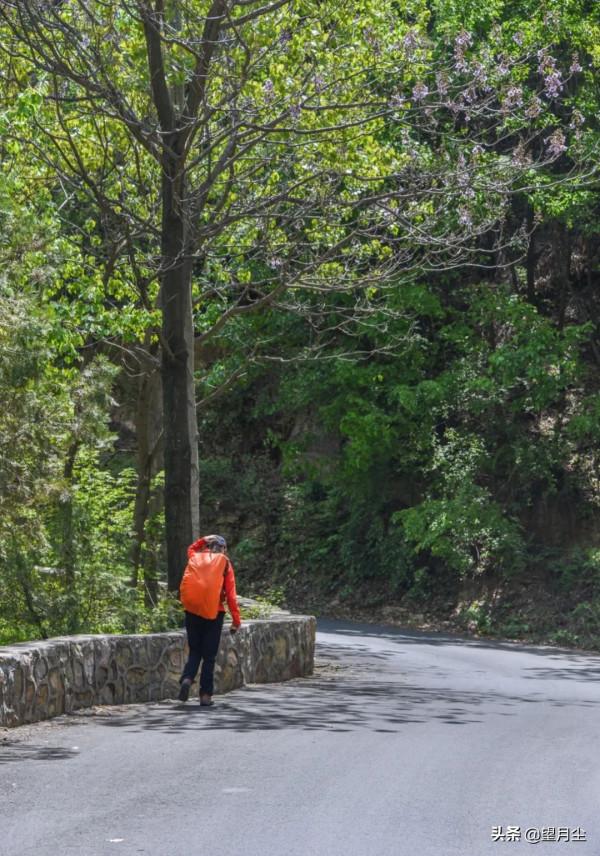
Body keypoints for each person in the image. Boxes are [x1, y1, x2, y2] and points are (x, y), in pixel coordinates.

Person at [178, 534, 241, 706]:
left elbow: (190, 548)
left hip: (192, 611)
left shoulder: (195, 556)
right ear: (224, 550)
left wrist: (204, 539)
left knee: (195, 650)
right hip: (214, 613)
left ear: (208, 547)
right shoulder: (225, 563)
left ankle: (187, 678)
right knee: (209, 656)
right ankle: (205, 696)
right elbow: (231, 596)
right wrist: (236, 621)